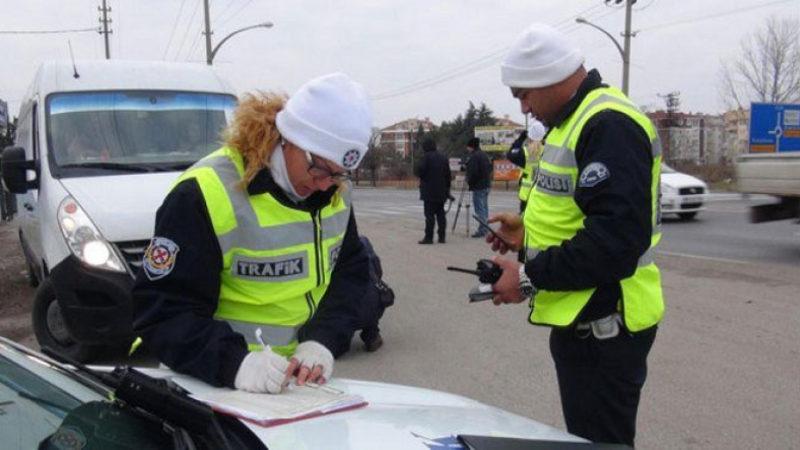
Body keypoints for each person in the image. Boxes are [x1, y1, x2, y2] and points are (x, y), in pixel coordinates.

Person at [132, 73, 374, 394]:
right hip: (210, 379)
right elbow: (162, 311)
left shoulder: (335, 190)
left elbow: (351, 274)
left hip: (296, 383)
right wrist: (236, 363)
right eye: (318, 168)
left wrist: (322, 341)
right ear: (289, 138)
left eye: (339, 173)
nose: (325, 184)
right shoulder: (205, 193)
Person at [484, 23, 663, 446]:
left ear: (551, 78)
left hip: (608, 324)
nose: (524, 108)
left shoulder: (608, 124)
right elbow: (578, 218)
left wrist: (526, 276)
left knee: (600, 442)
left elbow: (615, 242)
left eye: (523, 94)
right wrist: (524, 237)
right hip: (584, 320)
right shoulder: (571, 123)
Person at [415, 138, 451, 244]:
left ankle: (429, 237)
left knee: (429, 216)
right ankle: (442, 237)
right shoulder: (443, 157)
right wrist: (447, 190)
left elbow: (420, 171)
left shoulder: (426, 157)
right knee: (441, 215)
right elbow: (448, 175)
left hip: (429, 191)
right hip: (441, 191)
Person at [465, 137, 492, 238]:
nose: (467, 149)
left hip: (478, 186)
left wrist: (469, 181)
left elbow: (474, 173)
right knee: (484, 208)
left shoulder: (474, 157)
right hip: (486, 185)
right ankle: (486, 228)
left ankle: (482, 229)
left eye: (468, 147)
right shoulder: (484, 155)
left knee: (479, 209)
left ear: (471, 146)